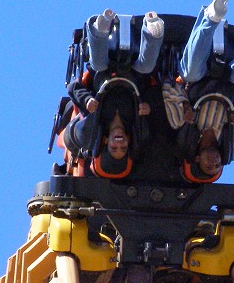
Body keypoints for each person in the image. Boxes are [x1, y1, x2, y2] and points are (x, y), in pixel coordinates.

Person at [163, 0, 234, 182]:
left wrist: (185, 106)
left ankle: (211, 17)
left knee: (190, 72)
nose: (214, 162)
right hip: (230, 77)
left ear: (197, 158)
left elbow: (169, 90)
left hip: (198, 75)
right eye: (217, 165)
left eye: (208, 165)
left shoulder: (182, 123)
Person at [61, 9, 164, 178]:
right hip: (134, 73)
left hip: (104, 73)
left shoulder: (97, 118)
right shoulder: (135, 122)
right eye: (123, 148)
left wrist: (87, 101)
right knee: (147, 66)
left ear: (106, 141)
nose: (119, 143)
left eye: (114, 148)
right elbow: (158, 95)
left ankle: (100, 29)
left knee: (99, 64)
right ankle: (152, 29)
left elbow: (73, 87)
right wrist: (148, 106)